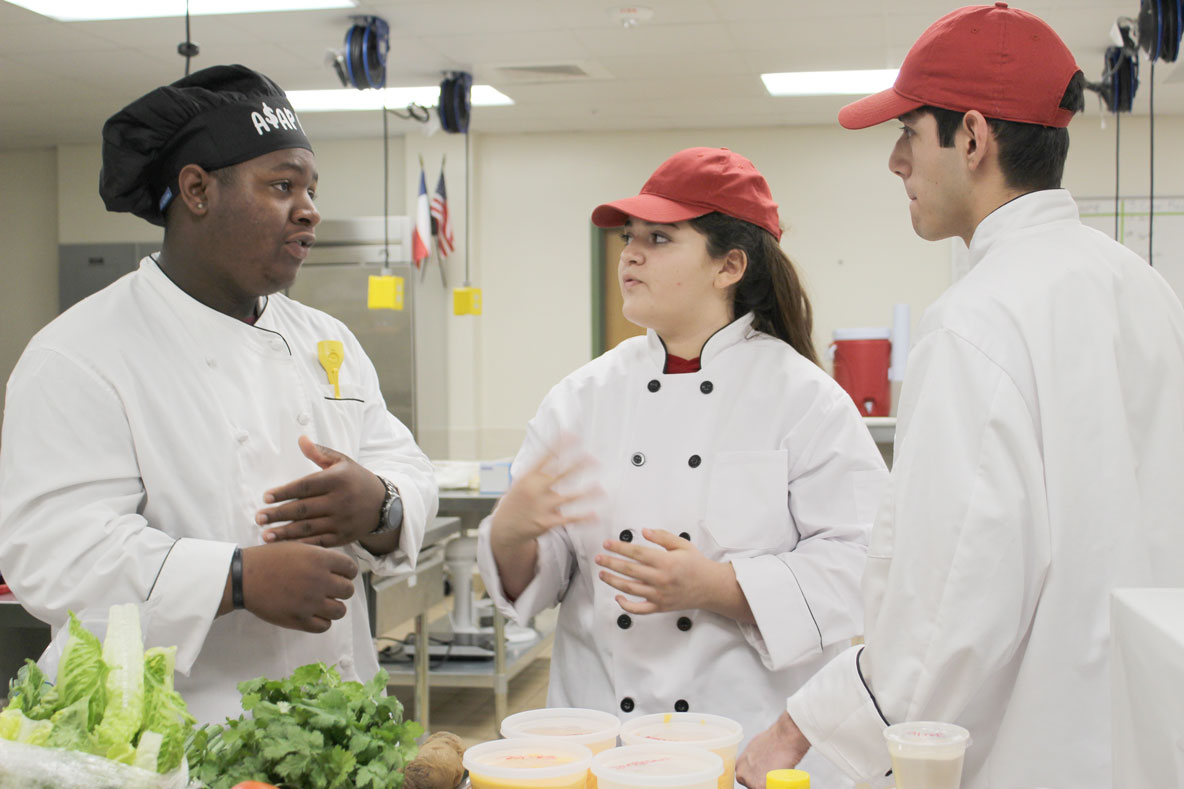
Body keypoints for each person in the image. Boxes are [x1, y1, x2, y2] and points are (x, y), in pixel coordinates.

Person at [736, 5, 1184, 788]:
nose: (895, 162)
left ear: (972, 138)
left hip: (1029, 756)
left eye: (908, 133)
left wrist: (798, 725)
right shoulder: (1145, 289)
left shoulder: (978, 318)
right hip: (1146, 745)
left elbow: (947, 611)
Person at [0, 65, 438, 724]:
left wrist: (379, 503)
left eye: (311, 189)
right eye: (283, 185)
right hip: (179, 735)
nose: (310, 209)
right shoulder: (80, 352)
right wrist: (234, 579)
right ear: (198, 190)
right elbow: (56, 553)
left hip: (338, 723)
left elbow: (404, 463)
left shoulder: (329, 339)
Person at [476, 147, 889, 785]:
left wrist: (714, 587)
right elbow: (544, 577)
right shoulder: (581, 399)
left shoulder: (804, 399)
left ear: (729, 265)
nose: (631, 255)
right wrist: (510, 532)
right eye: (628, 238)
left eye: (660, 238)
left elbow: (864, 567)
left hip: (741, 742)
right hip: (601, 742)